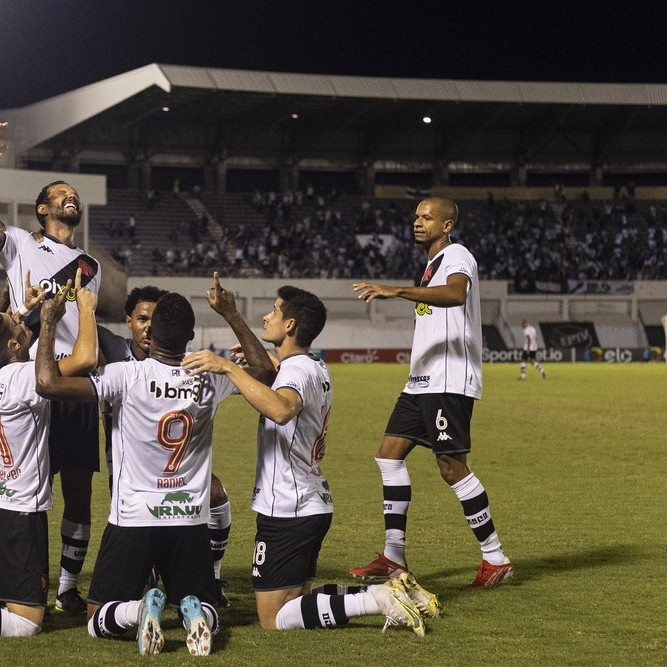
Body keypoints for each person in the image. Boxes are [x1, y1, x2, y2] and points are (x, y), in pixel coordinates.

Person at [34, 280, 275, 655]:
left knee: (99, 618)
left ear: (153, 333)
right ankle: (195, 616)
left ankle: (139, 610)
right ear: (190, 337)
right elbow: (263, 373)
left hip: (134, 518)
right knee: (207, 606)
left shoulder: (126, 377)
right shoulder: (209, 376)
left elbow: (48, 384)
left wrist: (49, 322)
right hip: (189, 520)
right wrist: (230, 313)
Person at [182, 286, 440, 636]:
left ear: (289, 325)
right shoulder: (313, 365)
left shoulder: (296, 372)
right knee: (298, 600)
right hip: (310, 503)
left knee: (273, 618)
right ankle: (398, 591)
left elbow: (282, 408)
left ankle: (378, 599)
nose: (266, 316)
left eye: (273, 311)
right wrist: (251, 348)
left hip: (288, 509)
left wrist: (227, 367)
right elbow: (279, 376)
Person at [348, 197, 513, 588]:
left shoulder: (457, 255)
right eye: (416, 216)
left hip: (447, 378)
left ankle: (495, 557)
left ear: (448, 225)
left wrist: (396, 291)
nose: (418, 222)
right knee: (388, 456)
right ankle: (393, 557)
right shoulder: (431, 265)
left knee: (451, 467)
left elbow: (456, 294)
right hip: (420, 379)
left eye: (427, 217)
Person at [0, 180, 101, 615]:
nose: (70, 195)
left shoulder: (89, 263)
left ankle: (66, 586)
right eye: (60, 193)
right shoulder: (20, 242)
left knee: (78, 492)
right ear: (42, 208)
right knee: (18, 488)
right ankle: (19, 578)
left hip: (73, 385)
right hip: (30, 382)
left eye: (74, 192)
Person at [98, 284, 232, 608]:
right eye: (141, 318)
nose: (147, 325)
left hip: (154, 493)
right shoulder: (116, 355)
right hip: (138, 476)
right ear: (129, 321)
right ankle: (194, 596)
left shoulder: (127, 372)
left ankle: (209, 577)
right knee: (172, 590)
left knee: (215, 492)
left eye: (153, 319)